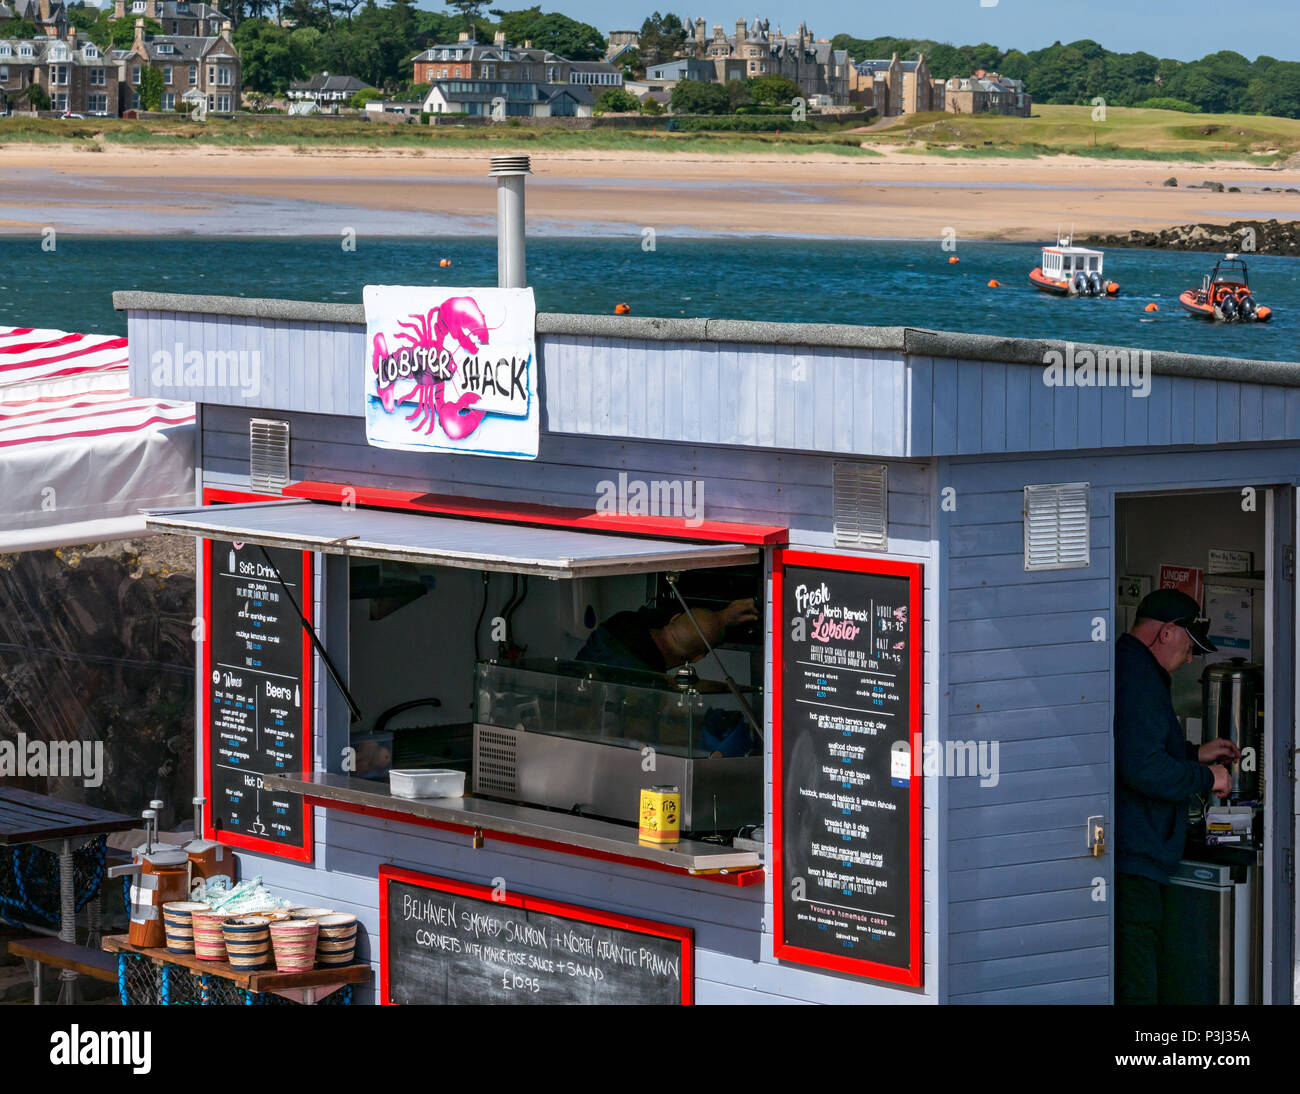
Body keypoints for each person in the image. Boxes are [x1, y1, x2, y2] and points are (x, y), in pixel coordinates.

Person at [1115, 588, 1239, 1005]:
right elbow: (1141, 768)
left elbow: (1141, 749)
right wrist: (1206, 777)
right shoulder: (1137, 678)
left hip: (1138, 852)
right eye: (1189, 648)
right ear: (1166, 632)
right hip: (1135, 856)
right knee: (1136, 981)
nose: (1190, 660)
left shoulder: (1135, 670)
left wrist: (1193, 754)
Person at [575, 598, 758, 674]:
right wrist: (723, 618)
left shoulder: (622, 622)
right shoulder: (648, 682)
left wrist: (723, 617)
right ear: (697, 657)